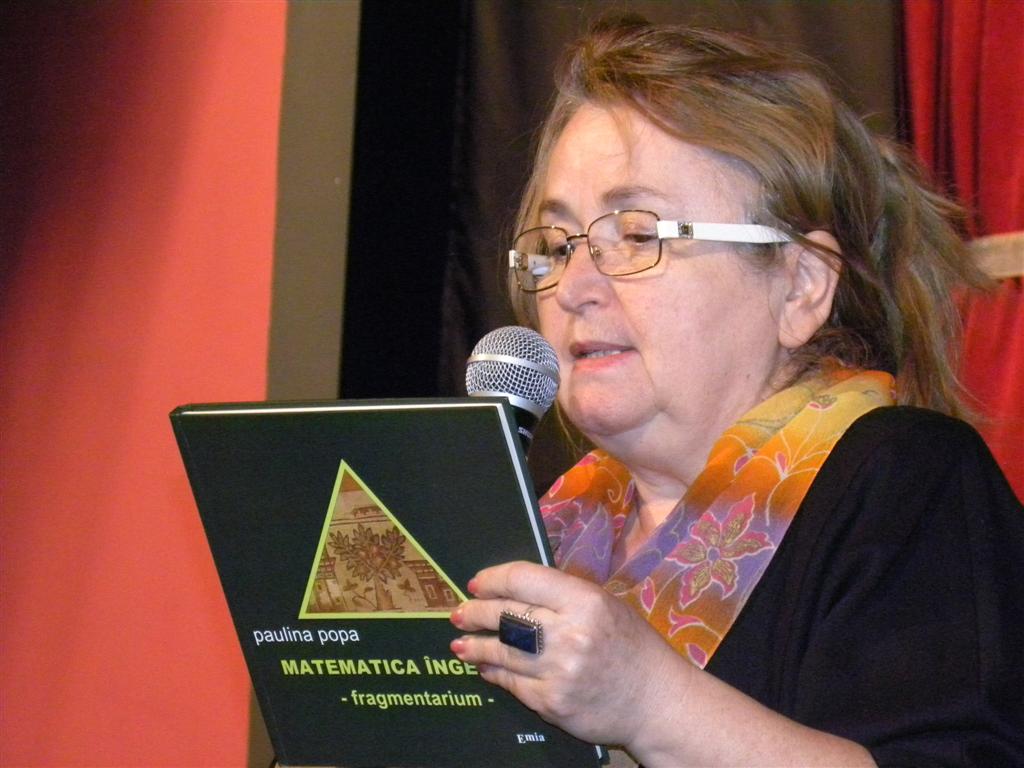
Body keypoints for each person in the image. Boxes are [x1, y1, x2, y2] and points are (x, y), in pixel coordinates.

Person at [448, 16, 1024, 767]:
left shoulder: (905, 482)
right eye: (556, 247)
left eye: (638, 234)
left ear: (800, 286)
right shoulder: (556, 521)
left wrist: (646, 699)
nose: (574, 286)